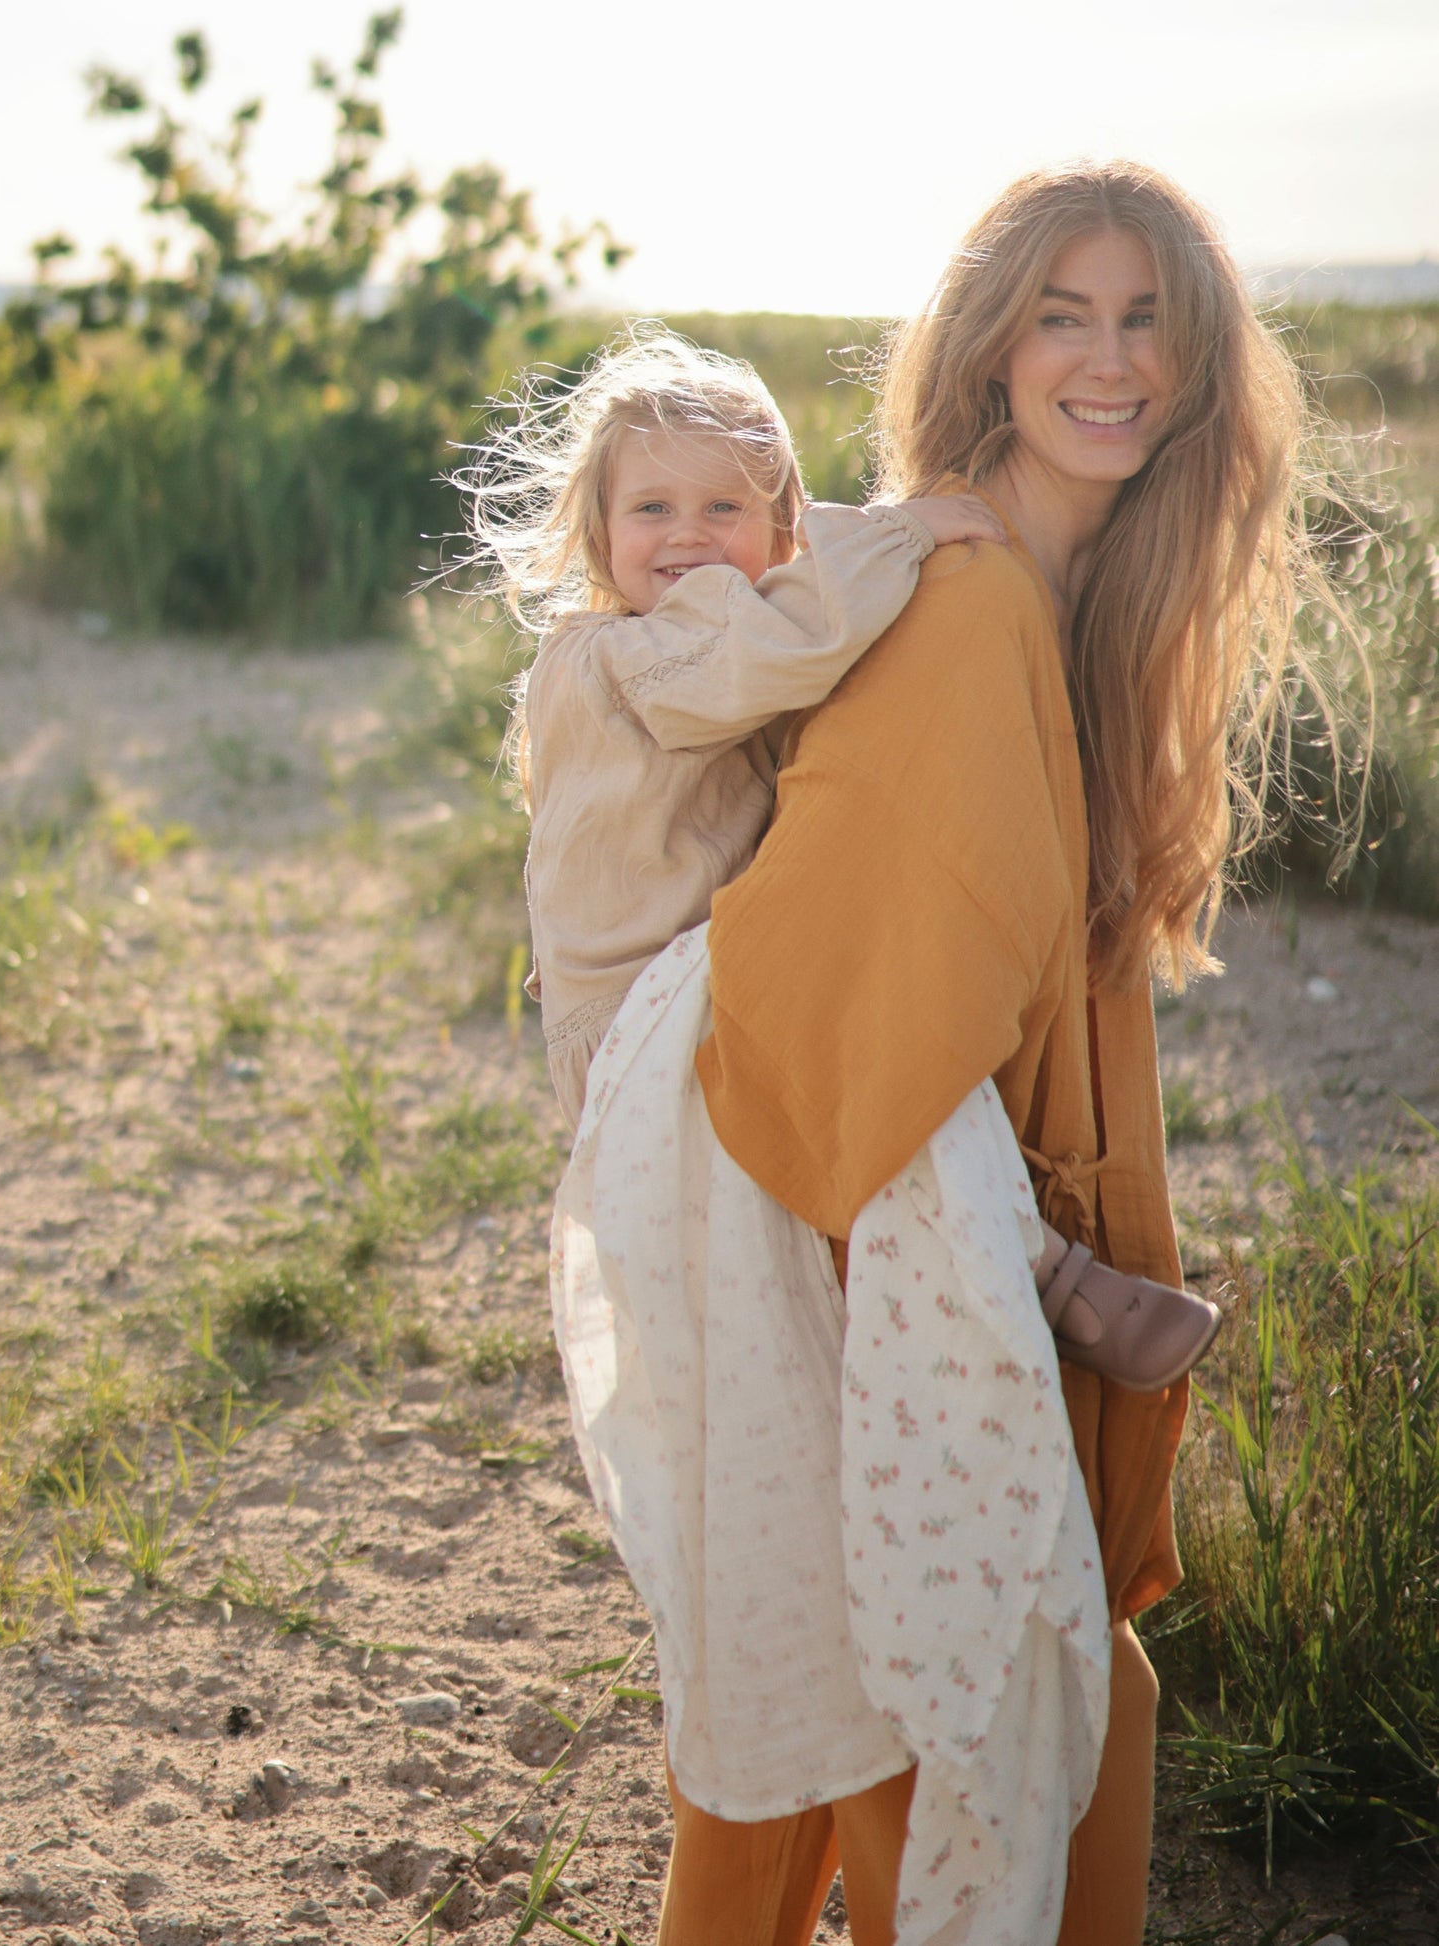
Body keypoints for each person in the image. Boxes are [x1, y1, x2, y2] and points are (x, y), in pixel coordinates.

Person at [551, 162, 1350, 1946]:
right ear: (992, 347)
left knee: (814, 1730)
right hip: (831, 1188)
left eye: (1144, 318)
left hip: (878, 1172)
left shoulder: (1069, 601)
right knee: (950, 1718)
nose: (1108, 359)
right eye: (1062, 316)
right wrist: (967, 1263)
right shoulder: (965, 595)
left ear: (1199, 361)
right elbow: (839, 975)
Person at [468, 324, 1218, 1393]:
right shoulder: (619, 661)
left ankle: (941, 1350)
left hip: (696, 987)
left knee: (825, 1150)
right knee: (875, 1056)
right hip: (641, 1018)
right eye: (651, 509)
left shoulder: (698, 651)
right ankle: (1049, 1275)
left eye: (722, 508)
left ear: (780, 529)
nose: (687, 535)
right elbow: (776, 641)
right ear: (597, 530)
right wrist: (898, 533)